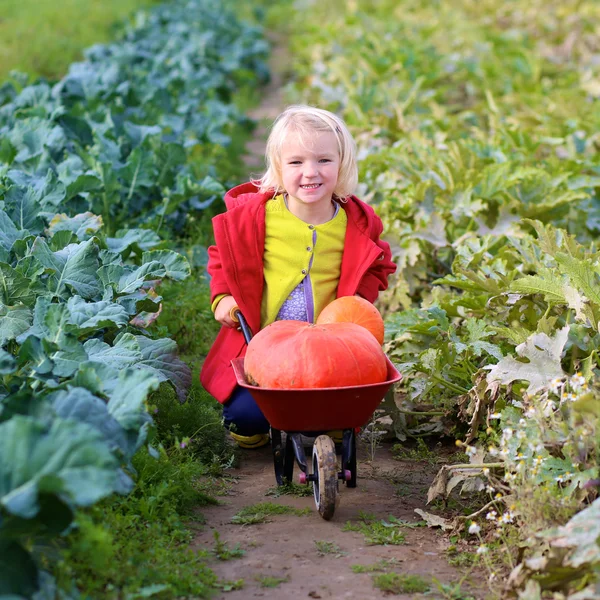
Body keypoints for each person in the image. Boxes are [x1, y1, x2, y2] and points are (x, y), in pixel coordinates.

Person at [200, 105, 396, 448]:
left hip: (331, 348)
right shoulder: (257, 217)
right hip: (265, 343)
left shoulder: (356, 223)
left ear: (342, 163)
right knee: (247, 416)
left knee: (333, 409)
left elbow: (378, 263)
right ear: (278, 167)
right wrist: (223, 297)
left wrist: (358, 302)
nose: (310, 172)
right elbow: (223, 256)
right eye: (296, 162)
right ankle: (262, 418)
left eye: (323, 160)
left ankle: (324, 419)